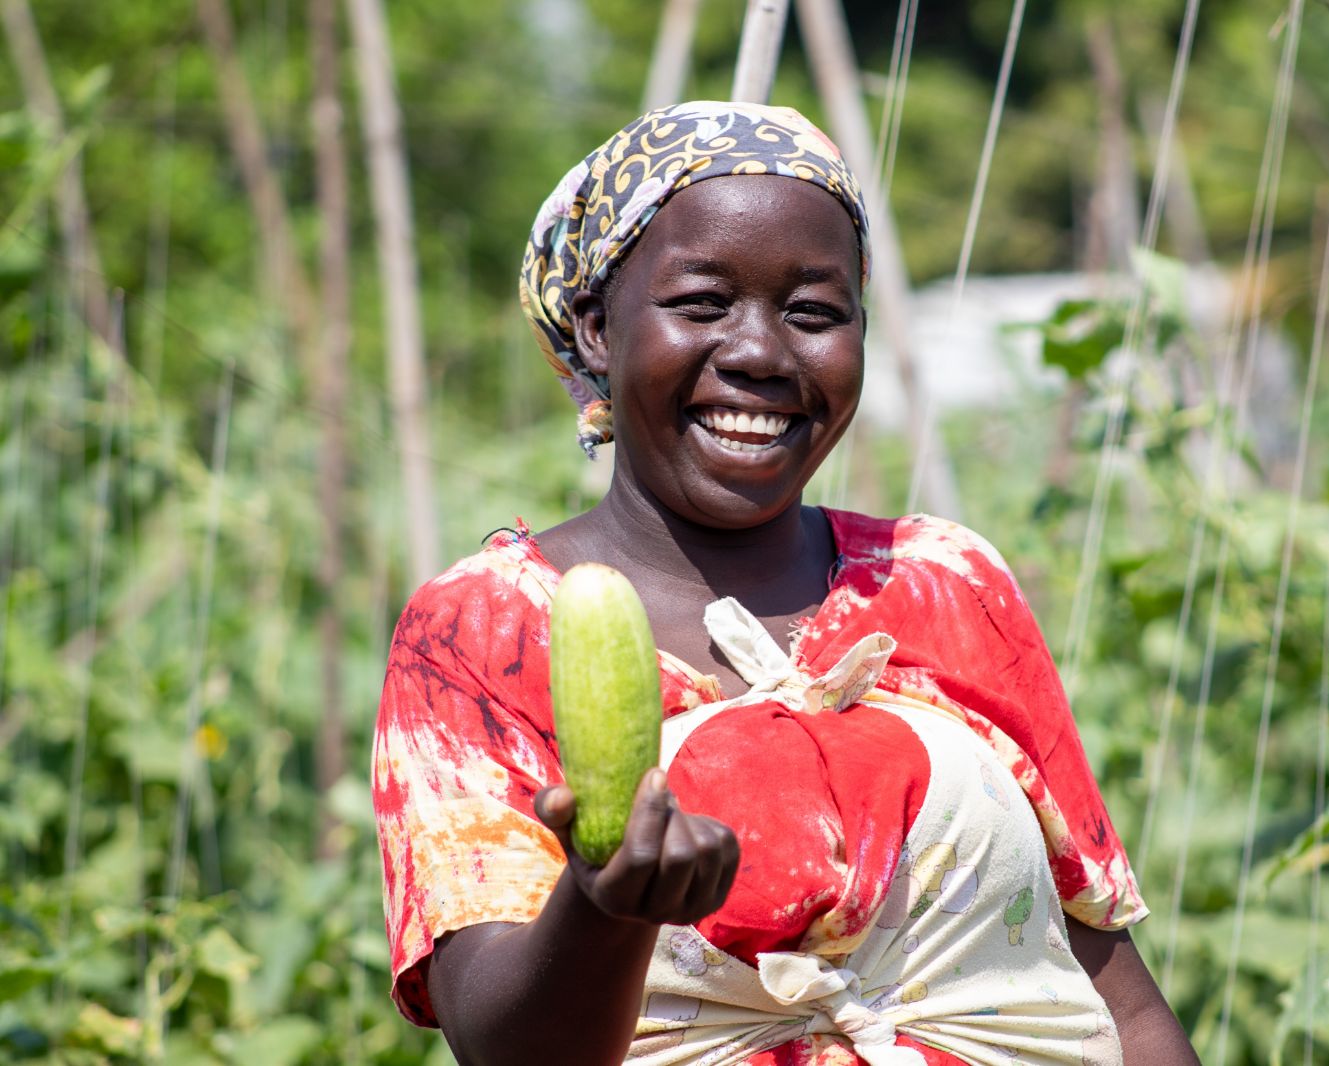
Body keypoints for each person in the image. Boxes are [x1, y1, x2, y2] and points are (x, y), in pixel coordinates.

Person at [372, 101, 1200, 1065]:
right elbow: (503, 1046)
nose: (761, 353)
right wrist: (605, 907)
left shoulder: (945, 581)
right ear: (597, 329)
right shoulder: (484, 626)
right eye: (701, 304)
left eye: (812, 313)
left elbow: (1111, 994)